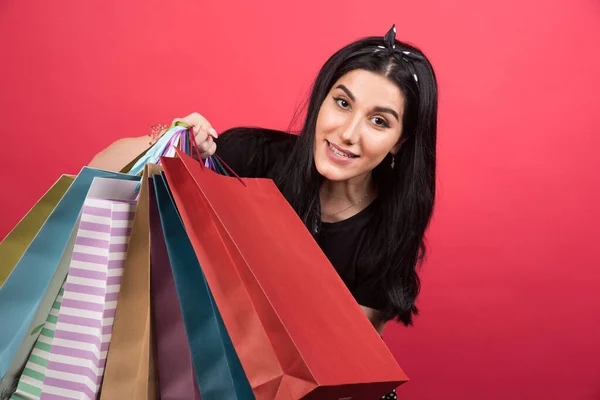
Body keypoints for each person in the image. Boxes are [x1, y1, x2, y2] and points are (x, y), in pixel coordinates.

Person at [90, 25, 437, 399]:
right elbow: (99, 173)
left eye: (379, 121)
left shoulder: (389, 228)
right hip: (197, 361)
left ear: (400, 141)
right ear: (321, 100)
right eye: (342, 103)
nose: (349, 133)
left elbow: (339, 371)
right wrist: (170, 140)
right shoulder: (250, 157)